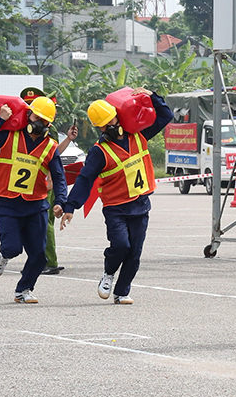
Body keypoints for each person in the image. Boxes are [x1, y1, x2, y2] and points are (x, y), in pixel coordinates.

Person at [60, 88, 173, 305]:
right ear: (98, 128)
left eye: (111, 120)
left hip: (140, 204)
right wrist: (70, 206)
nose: (110, 126)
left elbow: (166, 116)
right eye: (104, 124)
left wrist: (151, 95)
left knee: (135, 254)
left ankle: (122, 292)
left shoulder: (139, 136)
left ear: (117, 116)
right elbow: (84, 180)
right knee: (121, 246)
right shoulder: (99, 152)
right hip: (116, 208)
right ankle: (109, 273)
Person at [0, 96, 67, 304]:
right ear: (28, 115)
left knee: (39, 255)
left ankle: (24, 289)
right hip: (8, 202)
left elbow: (60, 176)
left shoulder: (51, 147)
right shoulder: (10, 135)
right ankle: (3, 256)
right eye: (37, 116)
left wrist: (60, 201)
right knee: (12, 248)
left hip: (36, 205)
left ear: (49, 124)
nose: (39, 122)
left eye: (45, 120)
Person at [18, 86, 78, 276]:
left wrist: (50, 179)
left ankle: (48, 261)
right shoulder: (22, 128)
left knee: (45, 223)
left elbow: (53, 156)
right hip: (28, 182)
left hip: (42, 183)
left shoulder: (45, 128)